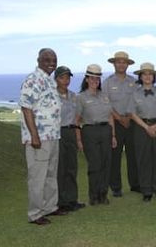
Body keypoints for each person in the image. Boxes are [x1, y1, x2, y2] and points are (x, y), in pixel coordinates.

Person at [19, 48, 67, 225]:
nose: (51, 63)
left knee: (50, 174)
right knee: (37, 176)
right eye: (46, 59)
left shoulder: (49, 81)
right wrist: (34, 136)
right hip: (39, 137)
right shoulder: (33, 80)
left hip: (53, 135)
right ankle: (35, 213)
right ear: (38, 60)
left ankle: (49, 207)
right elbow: (26, 108)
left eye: (54, 59)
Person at [127, 63, 156, 202]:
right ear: (140, 76)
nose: (147, 76)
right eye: (144, 74)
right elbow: (132, 113)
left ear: (154, 77)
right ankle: (146, 190)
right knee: (143, 159)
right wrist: (147, 128)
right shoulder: (135, 94)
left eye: (150, 74)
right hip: (141, 128)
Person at [75, 64, 117, 205]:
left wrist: (113, 136)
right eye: (92, 78)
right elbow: (77, 120)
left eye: (97, 79)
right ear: (86, 79)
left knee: (106, 164)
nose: (95, 81)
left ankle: (103, 195)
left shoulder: (104, 96)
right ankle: (93, 196)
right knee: (94, 165)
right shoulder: (80, 97)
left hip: (106, 131)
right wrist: (79, 140)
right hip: (90, 131)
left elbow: (110, 116)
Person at [102, 51, 139, 197]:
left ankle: (135, 184)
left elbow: (137, 102)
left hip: (131, 122)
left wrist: (129, 117)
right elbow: (106, 104)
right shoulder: (107, 83)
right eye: (118, 61)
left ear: (127, 64)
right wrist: (119, 118)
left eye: (124, 62)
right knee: (114, 156)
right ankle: (116, 187)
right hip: (115, 123)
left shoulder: (134, 82)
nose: (121, 64)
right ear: (114, 63)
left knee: (133, 155)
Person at [55, 66, 86, 211]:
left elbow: (77, 119)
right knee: (60, 168)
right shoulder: (51, 96)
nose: (66, 80)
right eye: (62, 77)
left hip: (71, 132)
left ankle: (72, 199)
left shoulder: (74, 96)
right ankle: (60, 202)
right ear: (56, 79)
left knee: (72, 167)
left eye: (68, 77)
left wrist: (79, 139)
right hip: (57, 133)